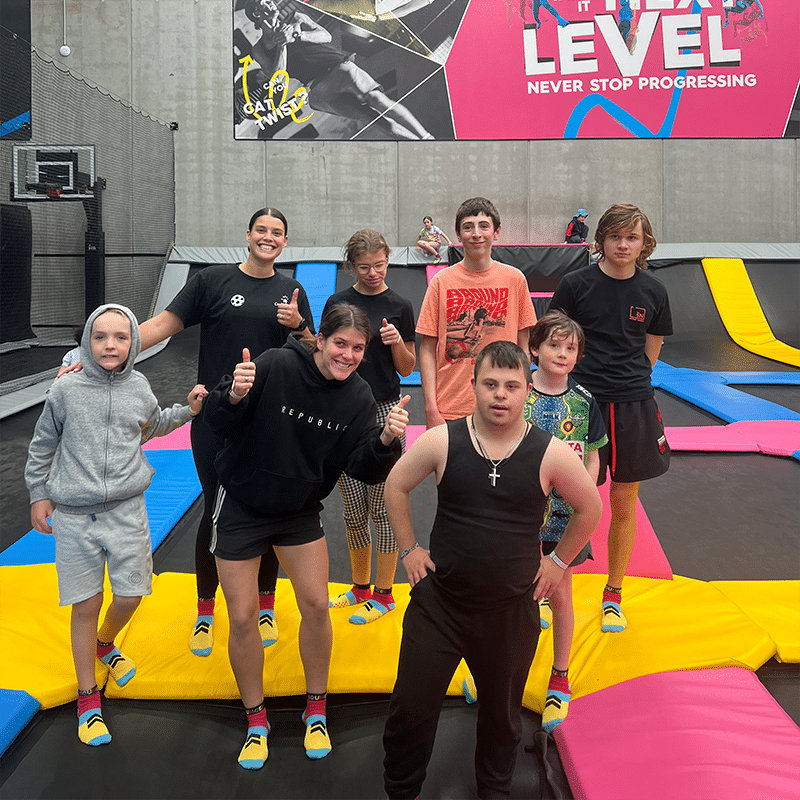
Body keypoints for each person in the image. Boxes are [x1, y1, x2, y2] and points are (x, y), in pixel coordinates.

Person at [59, 208, 315, 658]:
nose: (268, 238)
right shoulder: (212, 282)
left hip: (269, 421)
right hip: (216, 417)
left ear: (285, 241)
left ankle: (266, 603)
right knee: (216, 510)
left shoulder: (290, 290)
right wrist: (101, 347)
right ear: (248, 234)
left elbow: (312, 351)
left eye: (277, 233)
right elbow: (159, 326)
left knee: (269, 508)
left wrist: (300, 327)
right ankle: (205, 610)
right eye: (261, 230)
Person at [382, 340, 602, 800]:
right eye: (490, 384)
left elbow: (590, 507)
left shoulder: (552, 452)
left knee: (502, 721)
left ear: (527, 392)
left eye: (511, 386)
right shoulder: (444, 439)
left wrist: (558, 562)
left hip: (508, 612)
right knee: (410, 712)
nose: (500, 395)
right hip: (439, 606)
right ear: (474, 386)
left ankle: (495, 792)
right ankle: (402, 791)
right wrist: (408, 550)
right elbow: (396, 485)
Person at [202, 303, 409, 768]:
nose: (349, 355)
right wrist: (232, 397)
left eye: (358, 348)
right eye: (341, 344)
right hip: (241, 504)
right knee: (241, 617)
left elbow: (363, 469)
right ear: (320, 340)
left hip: (298, 513)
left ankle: (316, 706)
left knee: (316, 605)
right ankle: (256, 718)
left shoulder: (358, 397)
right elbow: (220, 423)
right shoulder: (274, 365)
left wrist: (383, 441)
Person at [25, 304, 207, 746]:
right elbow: (42, 444)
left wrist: (187, 410)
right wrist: (38, 494)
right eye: (101, 336)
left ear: (134, 343)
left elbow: (151, 425)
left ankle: (106, 643)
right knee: (84, 606)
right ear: (87, 340)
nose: (110, 345)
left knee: (130, 595)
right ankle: (89, 697)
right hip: (73, 515)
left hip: (127, 510)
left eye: (121, 337)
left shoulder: (139, 385)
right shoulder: (65, 391)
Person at [549, 203, 672, 633]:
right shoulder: (575, 283)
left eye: (632, 238)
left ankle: (614, 593)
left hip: (633, 403)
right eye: (616, 236)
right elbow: (555, 338)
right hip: (579, 403)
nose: (623, 245)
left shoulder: (654, 290)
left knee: (623, 500)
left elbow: (652, 345)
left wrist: (632, 378)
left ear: (644, 244)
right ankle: (549, 587)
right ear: (600, 239)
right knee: (558, 501)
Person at [324, 230, 416, 624]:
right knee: (352, 508)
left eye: (380, 265)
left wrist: (396, 342)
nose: (374, 273)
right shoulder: (338, 302)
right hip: (344, 411)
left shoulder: (399, 304)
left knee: (383, 505)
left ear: (388, 259)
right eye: (365, 267)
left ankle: (384, 592)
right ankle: (360, 587)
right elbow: (324, 354)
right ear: (352, 266)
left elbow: (407, 367)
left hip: (385, 411)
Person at [416, 196, 537, 429]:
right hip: (452, 406)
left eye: (484, 226)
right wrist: (431, 408)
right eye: (468, 227)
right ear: (458, 235)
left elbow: (524, 346)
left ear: (496, 232)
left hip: (503, 405)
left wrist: (522, 399)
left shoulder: (515, 279)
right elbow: (428, 348)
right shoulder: (442, 281)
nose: (476, 234)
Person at [239, 0, 434, 140]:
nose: (271, 3)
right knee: (373, 120)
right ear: (256, 13)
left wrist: (297, 36)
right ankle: (418, 143)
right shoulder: (260, 49)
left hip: (339, 68)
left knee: (378, 100)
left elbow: (325, 36)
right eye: (264, 2)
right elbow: (277, 78)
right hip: (319, 90)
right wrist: (282, 44)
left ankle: (426, 138)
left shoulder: (296, 17)